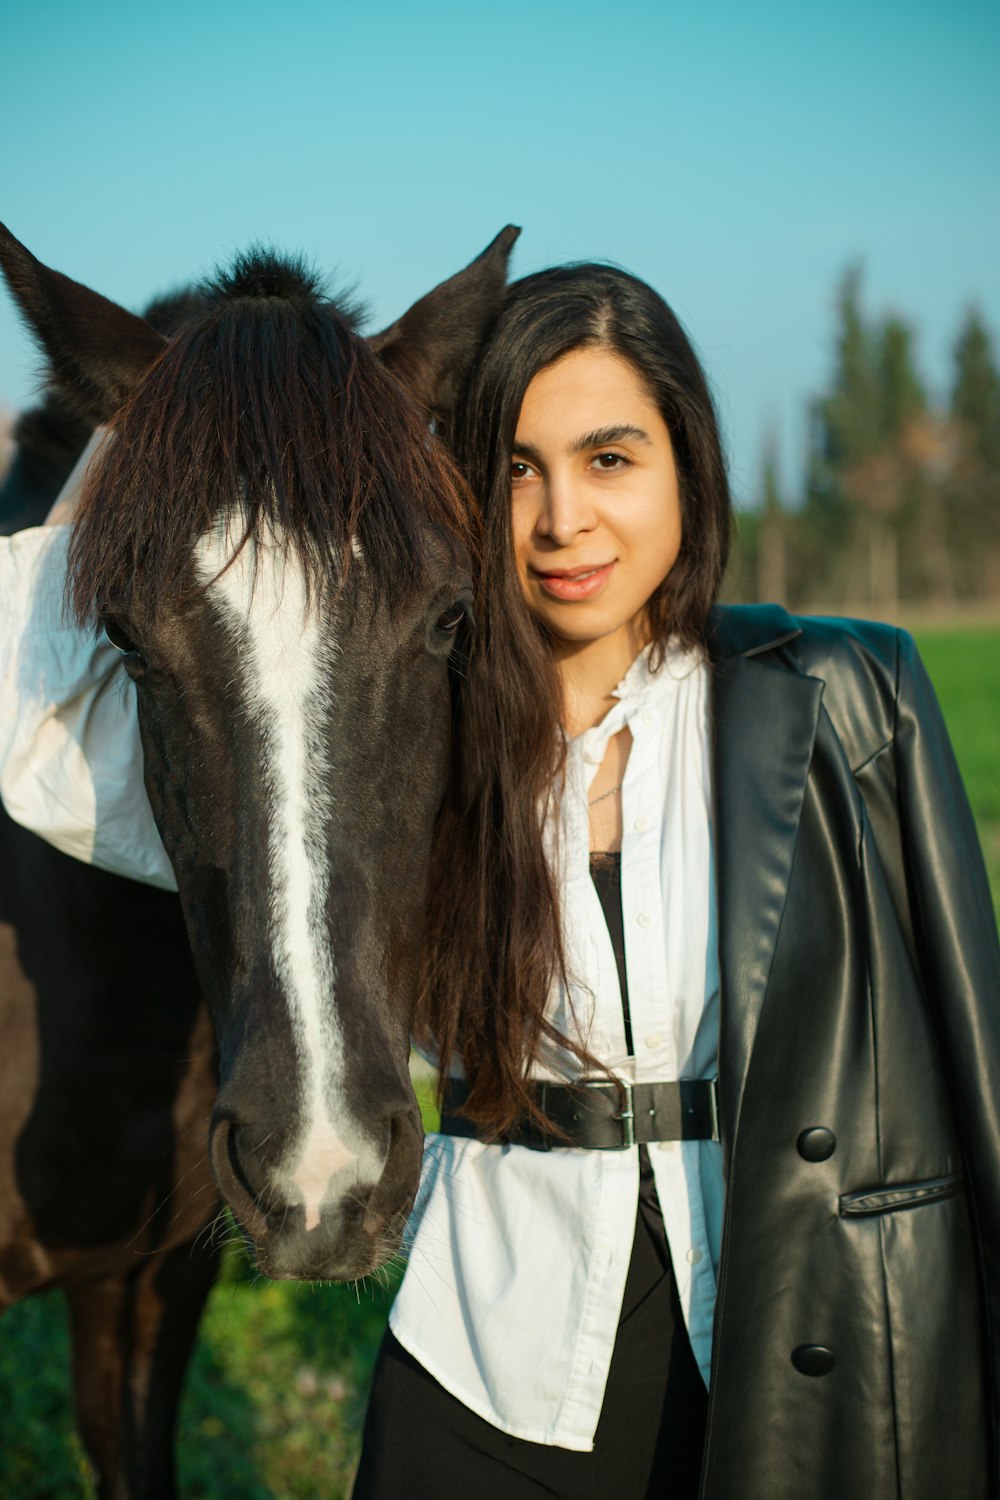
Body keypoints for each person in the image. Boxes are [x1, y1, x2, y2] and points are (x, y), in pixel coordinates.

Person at [2, 263, 999, 1500]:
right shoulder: (416, 728)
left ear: (691, 464)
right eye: (517, 469)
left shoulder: (847, 695)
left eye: (612, 459)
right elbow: (67, 722)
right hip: (489, 1347)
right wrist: (163, 433)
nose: (561, 518)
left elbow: (973, 1050)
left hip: (784, 1319)